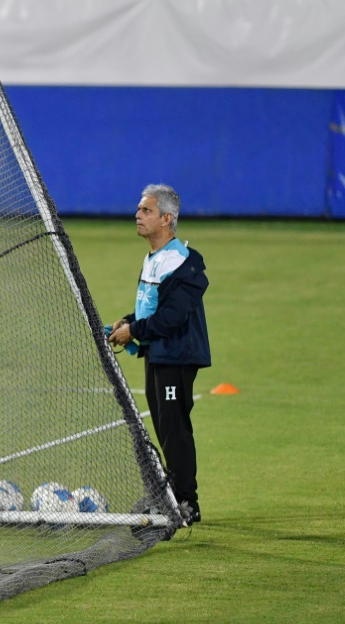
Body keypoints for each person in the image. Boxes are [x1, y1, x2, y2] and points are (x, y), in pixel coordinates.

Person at [108, 184, 210, 526]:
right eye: (139, 209)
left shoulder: (179, 261)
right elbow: (155, 308)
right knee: (167, 427)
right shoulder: (155, 257)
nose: (137, 215)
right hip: (161, 354)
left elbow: (172, 317)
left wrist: (134, 332)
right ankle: (171, 495)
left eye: (146, 211)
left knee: (174, 428)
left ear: (167, 219)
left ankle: (186, 502)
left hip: (177, 356)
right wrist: (130, 321)